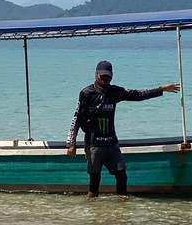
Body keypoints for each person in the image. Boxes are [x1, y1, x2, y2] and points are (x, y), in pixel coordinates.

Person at [67, 60, 179, 198]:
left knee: (122, 176)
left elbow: (138, 95)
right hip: (94, 145)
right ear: (96, 74)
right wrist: (71, 143)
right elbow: (76, 118)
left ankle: (121, 210)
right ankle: (93, 213)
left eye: (108, 76)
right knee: (94, 182)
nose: (105, 79)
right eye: (102, 76)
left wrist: (161, 89)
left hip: (112, 144)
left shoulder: (115, 92)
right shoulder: (86, 93)